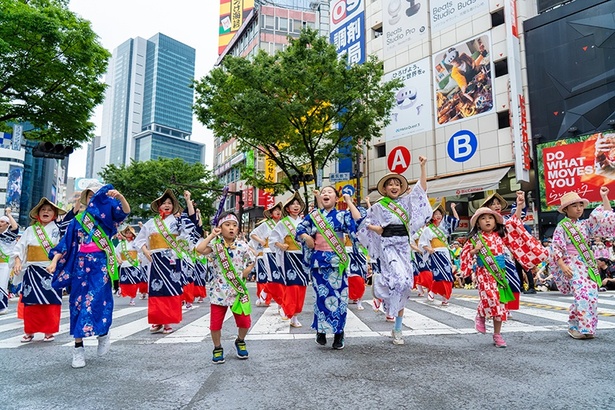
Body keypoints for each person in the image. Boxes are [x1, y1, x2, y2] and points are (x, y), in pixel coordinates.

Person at [48, 184, 130, 368]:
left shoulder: (107, 219)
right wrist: (54, 261)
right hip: (80, 266)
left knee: (99, 300)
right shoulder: (77, 220)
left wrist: (121, 197)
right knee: (77, 304)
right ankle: (78, 349)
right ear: (86, 199)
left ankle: (103, 334)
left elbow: (124, 212)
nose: (94, 198)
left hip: (100, 264)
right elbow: (65, 244)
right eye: (91, 195)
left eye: (97, 194)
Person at [357, 156, 432, 345]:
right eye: (390, 184)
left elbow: (421, 191)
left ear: (401, 187)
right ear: (384, 188)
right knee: (398, 278)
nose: (394, 186)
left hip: (404, 246)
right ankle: (381, 284)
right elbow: (366, 225)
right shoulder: (378, 206)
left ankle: (397, 327)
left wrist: (422, 167)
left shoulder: (406, 202)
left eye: (397, 183)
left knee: (406, 285)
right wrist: (378, 229)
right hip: (388, 245)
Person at [461, 206, 548, 348]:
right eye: (483, 218)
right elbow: (464, 255)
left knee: (500, 304)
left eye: (490, 218)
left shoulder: (501, 235)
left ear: (495, 222)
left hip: (500, 274)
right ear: (477, 223)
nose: (487, 220)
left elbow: (515, 223)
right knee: (490, 297)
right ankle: (481, 315)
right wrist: (474, 251)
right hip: (484, 273)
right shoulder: (475, 238)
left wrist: (519, 206)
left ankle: (497, 334)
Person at [296, 187, 362, 350]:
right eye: (324, 192)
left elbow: (358, 221)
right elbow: (299, 229)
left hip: (337, 262)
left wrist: (348, 201)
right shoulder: (314, 216)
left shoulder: (342, 215)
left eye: (330, 192)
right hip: (319, 262)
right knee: (321, 298)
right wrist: (306, 237)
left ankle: (339, 332)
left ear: (336, 198)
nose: (326, 194)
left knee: (340, 298)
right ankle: (321, 331)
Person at [549, 188, 615, 339]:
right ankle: (579, 328)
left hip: (587, 263)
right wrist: (562, 265)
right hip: (571, 264)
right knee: (582, 294)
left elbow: (605, 218)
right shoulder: (562, 227)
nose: (579, 208)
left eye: (580, 205)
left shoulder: (585, 224)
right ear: (566, 209)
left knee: (591, 294)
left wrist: (604, 197)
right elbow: (556, 247)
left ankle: (581, 326)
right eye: (574, 206)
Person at [196, 211, 255, 364]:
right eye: (227, 225)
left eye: (234, 225)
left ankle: (240, 341)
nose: (231, 228)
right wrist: (211, 235)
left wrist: (247, 271)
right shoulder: (215, 246)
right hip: (218, 292)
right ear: (220, 228)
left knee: (245, 322)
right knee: (215, 324)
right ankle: (217, 348)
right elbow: (199, 250)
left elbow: (252, 260)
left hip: (238, 291)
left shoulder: (243, 245)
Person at [134, 189, 195, 336]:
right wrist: (146, 251)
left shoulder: (177, 221)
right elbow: (140, 240)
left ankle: (168, 321)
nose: (167, 205)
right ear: (159, 206)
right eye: (164, 203)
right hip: (156, 260)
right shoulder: (151, 223)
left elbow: (191, 222)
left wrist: (188, 201)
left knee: (171, 290)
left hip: (172, 260)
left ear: (173, 206)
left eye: (170, 203)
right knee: (157, 290)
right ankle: (157, 320)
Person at [12, 198, 69, 343]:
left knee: (51, 302)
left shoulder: (58, 230)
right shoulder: (30, 230)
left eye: (49, 210)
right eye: (43, 209)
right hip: (32, 271)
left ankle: (49, 331)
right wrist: (18, 261)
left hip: (51, 269)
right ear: (38, 213)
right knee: (31, 302)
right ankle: (29, 331)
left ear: (54, 214)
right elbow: (19, 248)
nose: (46, 212)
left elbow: (63, 248)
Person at [269, 192, 309, 328]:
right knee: (292, 285)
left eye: (298, 204)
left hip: (302, 256)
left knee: (302, 286)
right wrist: (281, 245)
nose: (296, 206)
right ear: (287, 208)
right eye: (293, 204)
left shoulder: (304, 222)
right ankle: (288, 310)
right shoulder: (283, 223)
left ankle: (295, 315)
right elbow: (273, 239)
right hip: (290, 257)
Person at [419, 202, 459, 306]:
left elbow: (456, 221)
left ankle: (445, 297)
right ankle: (432, 291)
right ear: (431, 217)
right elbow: (422, 243)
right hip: (436, 254)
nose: (438, 215)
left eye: (439, 213)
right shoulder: (428, 229)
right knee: (439, 275)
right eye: (435, 214)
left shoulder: (444, 227)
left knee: (448, 275)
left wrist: (453, 208)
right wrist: (429, 249)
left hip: (445, 253)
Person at [250, 202, 283, 310]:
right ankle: (278, 301)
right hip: (269, 251)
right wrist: (261, 241)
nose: (278, 212)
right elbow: (253, 234)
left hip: (280, 252)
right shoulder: (266, 224)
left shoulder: (283, 223)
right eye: (275, 210)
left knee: (281, 277)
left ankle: (267, 293)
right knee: (273, 276)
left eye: (279, 210)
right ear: (271, 213)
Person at [0, 207, 19, 314]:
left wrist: (9, 214)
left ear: (7, 224)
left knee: (2, 284)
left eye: (3, 222)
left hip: (5, 264)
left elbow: (15, 227)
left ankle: (3, 307)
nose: (0, 223)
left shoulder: (9, 235)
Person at [116, 225, 141, 306]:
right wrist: (119, 260)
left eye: (130, 233)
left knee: (134, 283)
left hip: (134, 265)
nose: (129, 234)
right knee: (124, 282)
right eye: (127, 233)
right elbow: (116, 253)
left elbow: (140, 252)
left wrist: (140, 258)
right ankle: (121, 291)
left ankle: (132, 298)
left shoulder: (136, 243)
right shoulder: (121, 244)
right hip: (124, 265)